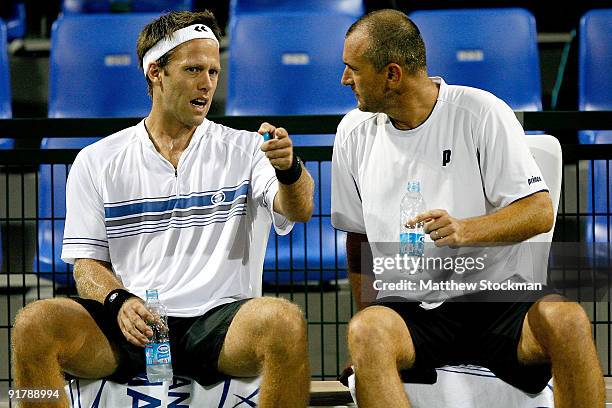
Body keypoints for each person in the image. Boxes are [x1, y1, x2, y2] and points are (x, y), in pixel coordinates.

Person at [12, 10, 314, 408]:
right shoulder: (97, 159)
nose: (206, 84)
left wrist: (289, 169)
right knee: (32, 326)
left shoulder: (245, 148)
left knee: (284, 322)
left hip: (219, 324)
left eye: (213, 72)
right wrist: (118, 301)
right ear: (156, 72)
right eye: (193, 69)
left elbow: (299, 208)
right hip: (134, 324)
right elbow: (86, 266)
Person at [331, 9, 604, 408]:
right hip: (410, 307)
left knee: (570, 321)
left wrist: (468, 230)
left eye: (352, 69)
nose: (344, 79)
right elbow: (358, 239)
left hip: (496, 300)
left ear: (392, 74)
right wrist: (367, 324)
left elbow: (539, 210)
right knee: (366, 331)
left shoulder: (481, 112)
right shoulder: (352, 133)